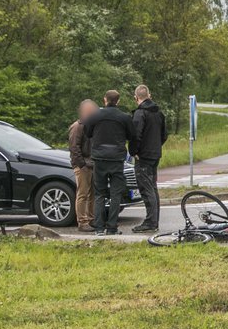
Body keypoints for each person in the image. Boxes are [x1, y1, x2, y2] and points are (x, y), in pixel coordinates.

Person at [78, 89, 135, 235]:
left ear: (105, 100)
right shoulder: (124, 117)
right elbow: (132, 135)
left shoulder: (95, 116)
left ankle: (98, 227)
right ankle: (112, 227)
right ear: (118, 101)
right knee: (116, 194)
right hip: (116, 159)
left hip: (99, 159)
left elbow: (87, 132)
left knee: (99, 194)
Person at [130, 84, 167, 232]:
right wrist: (156, 146)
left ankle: (150, 222)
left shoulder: (140, 114)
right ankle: (154, 220)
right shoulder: (159, 113)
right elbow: (164, 135)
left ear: (136, 98)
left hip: (143, 156)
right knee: (153, 187)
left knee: (146, 188)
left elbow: (135, 136)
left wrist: (134, 152)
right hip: (155, 154)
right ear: (149, 95)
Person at [67, 98, 98, 233]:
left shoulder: (92, 126)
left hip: (92, 163)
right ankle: (82, 221)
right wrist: (82, 164)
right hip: (83, 165)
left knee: (92, 194)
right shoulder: (77, 127)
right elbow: (74, 148)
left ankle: (91, 219)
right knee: (83, 194)